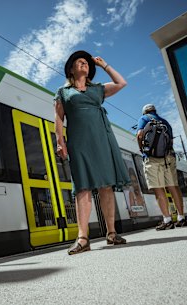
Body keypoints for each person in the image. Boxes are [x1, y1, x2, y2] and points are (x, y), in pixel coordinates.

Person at [54, 50, 129, 255]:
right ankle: (83, 238)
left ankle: (112, 233)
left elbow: (122, 83)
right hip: (78, 143)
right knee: (82, 187)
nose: (84, 64)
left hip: (102, 139)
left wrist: (105, 65)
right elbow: (59, 118)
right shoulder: (63, 92)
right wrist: (60, 142)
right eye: (79, 62)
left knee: (106, 185)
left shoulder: (98, 89)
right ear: (71, 68)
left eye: (86, 62)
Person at [136, 104, 187, 230]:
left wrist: (142, 150)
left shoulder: (143, 119)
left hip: (152, 158)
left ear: (144, 112)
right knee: (173, 187)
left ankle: (167, 220)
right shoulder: (165, 122)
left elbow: (139, 135)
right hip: (168, 157)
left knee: (158, 189)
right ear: (155, 111)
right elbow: (170, 140)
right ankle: (181, 218)